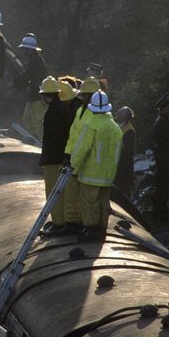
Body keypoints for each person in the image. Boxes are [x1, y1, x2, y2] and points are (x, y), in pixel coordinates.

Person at [70, 91, 123, 242]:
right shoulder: (115, 128)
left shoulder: (91, 125)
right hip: (107, 175)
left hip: (90, 174)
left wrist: (74, 165)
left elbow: (82, 149)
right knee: (103, 202)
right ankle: (101, 230)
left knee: (89, 202)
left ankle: (91, 230)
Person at [63, 77, 101, 233]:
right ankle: (73, 222)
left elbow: (90, 140)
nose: (83, 98)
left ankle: (90, 225)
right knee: (72, 192)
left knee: (88, 196)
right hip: (76, 157)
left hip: (88, 160)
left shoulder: (97, 113)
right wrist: (68, 153)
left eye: (85, 95)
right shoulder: (80, 111)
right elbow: (73, 134)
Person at [39, 77, 76, 236]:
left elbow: (51, 137)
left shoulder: (53, 111)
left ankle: (58, 222)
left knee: (53, 192)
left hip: (52, 159)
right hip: (61, 157)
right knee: (61, 192)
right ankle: (59, 221)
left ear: (45, 95)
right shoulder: (63, 109)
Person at [16, 33, 48, 140]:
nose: (24, 51)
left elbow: (28, 75)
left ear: (29, 50)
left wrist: (15, 84)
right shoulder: (33, 59)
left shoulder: (36, 61)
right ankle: (31, 139)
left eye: (25, 49)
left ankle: (41, 143)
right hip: (33, 95)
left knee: (37, 122)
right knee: (26, 119)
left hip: (39, 96)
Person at [113, 106, 136, 199]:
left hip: (124, 169)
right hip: (118, 166)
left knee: (124, 195)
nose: (116, 113)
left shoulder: (129, 131)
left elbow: (127, 153)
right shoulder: (120, 126)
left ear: (124, 117)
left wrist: (121, 169)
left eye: (119, 111)